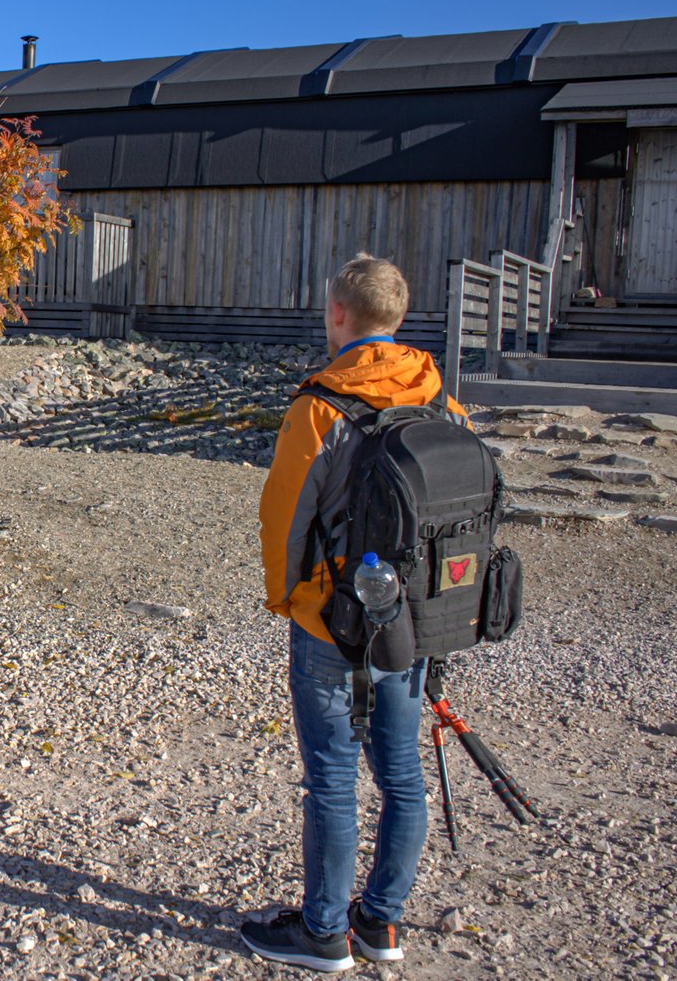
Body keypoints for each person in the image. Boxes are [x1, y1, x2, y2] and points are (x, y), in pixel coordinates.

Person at [245, 253, 468, 971]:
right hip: (411, 621)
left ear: (338, 313)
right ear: (398, 319)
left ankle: (321, 931)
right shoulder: (440, 400)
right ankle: (383, 921)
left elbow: (285, 519)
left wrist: (292, 602)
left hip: (330, 619)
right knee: (402, 773)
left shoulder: (322, 405)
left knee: (333, 778)